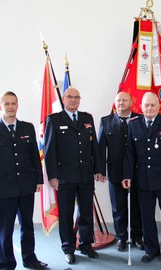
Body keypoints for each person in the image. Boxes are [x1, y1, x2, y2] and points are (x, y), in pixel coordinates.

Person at [0, 91, 48, 269]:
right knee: (6, 230)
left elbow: (35, 155)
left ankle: (30, 259)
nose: (11, 107)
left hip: (26, 186)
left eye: (14, 103)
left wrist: (39, 179)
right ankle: (6, 264)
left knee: (28, 226)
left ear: (18, 105)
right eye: (7, 104)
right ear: (0, 107)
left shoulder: (27, 128)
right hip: (3, 189)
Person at [44, 87, 102, 265]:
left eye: (77, 97)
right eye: (70, 97)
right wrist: (53, 175)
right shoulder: (54, 119)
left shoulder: (87, 118)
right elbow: (49, 150)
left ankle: (86, 244)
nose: (74, 100)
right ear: (63, 98)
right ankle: (68, 248)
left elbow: (95, 148)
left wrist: (99, 169)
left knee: (85, 212)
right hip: (64, 177)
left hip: (85, 175)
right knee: (67, 214)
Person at [122, 92, 161, 268]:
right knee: (146, 218)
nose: (149, 108)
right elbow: (130, 154)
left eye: (153, 105)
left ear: (158, 107)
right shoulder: (134, 125)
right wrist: (127, 175)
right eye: (146, 105)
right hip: (143, 181)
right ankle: (151, 249)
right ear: (141, 107)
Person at [98, 92, 144, 252]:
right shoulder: (106, 121)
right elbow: (100, 148)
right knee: (118, 208)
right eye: (118, 100)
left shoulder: (140, 119)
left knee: (137, 206)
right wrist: (100, 170)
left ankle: (138, 236)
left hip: (137, 171)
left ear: (131, 102)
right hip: (115, 171)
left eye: (125, 100)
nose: (121, 103)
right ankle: (122, 238)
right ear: (114, 103)